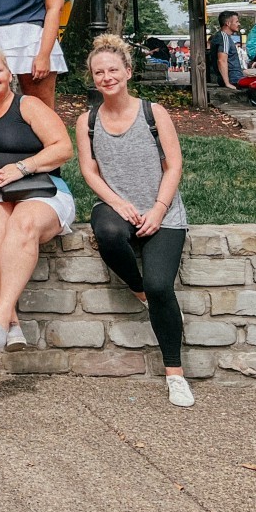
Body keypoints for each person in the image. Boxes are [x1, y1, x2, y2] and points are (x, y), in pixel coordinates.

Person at [77, 35, 193, 408]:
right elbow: (89, 171)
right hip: (117, 206)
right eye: (99, 72)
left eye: (113, 70)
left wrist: (159, 209)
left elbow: (173, 164)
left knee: (162, 287)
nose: (107, 77)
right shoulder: (87, 120)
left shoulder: (153, 113)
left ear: (127, 72)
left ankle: (174, 374)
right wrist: (117, 202)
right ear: (92, 78)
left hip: (163, 209)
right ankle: (136, 289)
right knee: (109, 232)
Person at [0, 46, 75, 354]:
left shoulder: (29, 105)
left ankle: (0, 318)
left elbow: (63, 147)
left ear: (9, 74)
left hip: (38, 188)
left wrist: (22, 167)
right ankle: (14, 326)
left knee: (23, 225)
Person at [208, 11, 247, 89]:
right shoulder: (224, 37)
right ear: (228, 23)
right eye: (236, 22)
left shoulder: (220, 36)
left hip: (233, 78)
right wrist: (227, 83)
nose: (238, 24)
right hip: (233, 79)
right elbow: (221, 60)